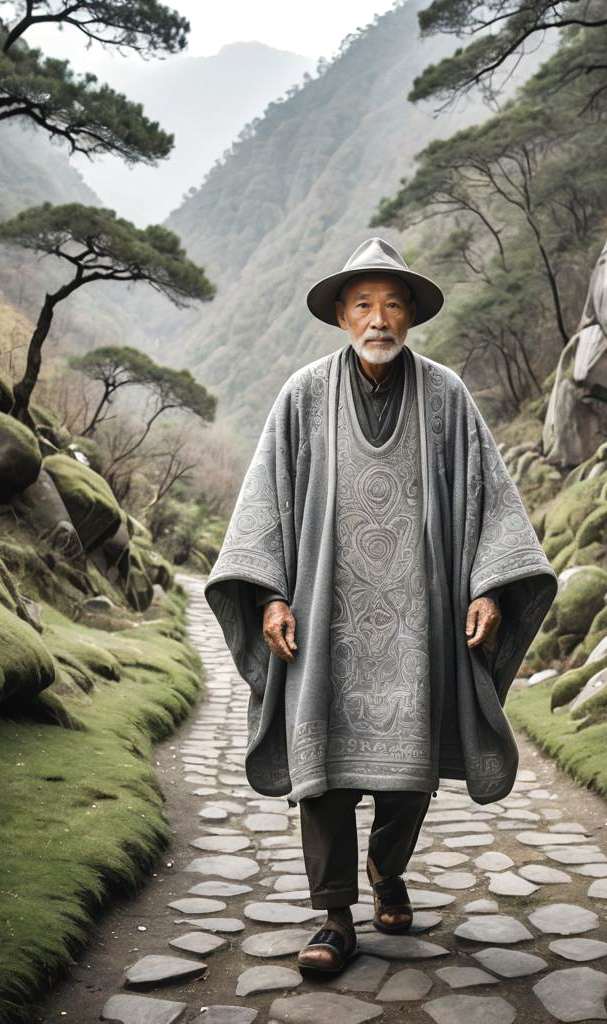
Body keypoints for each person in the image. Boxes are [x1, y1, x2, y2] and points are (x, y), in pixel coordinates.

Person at [205, 237, 556, 973]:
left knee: (411, 764)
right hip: (320, 618)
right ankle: (333, 917)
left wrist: (488, 586)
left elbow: (492, 501)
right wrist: (270, 597)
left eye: (393, 304)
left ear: (411, 316)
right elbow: (264, 503)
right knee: (324, 765)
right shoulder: (302, 396)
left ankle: (387, 867)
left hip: (420, 621)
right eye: (363, 303)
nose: (379, 318)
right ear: (340, 313)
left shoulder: (448, 397)